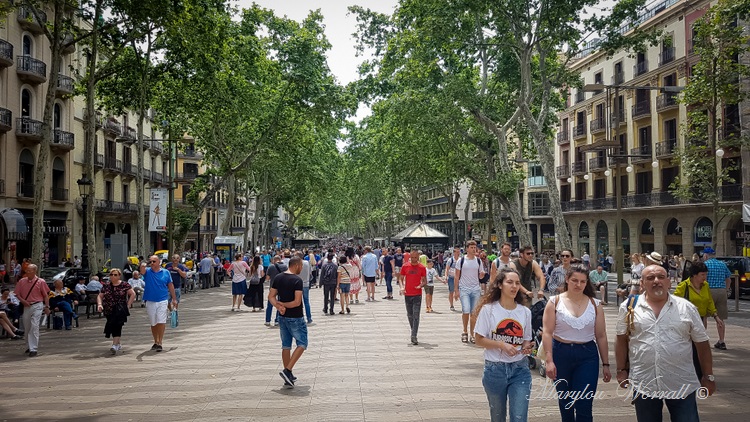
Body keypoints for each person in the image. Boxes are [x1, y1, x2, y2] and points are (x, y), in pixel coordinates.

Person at [615, 264, 716, 422]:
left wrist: (708, 376)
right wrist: (621, 369)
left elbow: (702, 344)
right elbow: (621, 339)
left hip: (681, 383)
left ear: (669, 281)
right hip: (644, 382)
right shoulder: (628, 308)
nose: (656, 281)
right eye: (650, 278)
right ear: (642, 283)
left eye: (661, 277)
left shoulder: (686, 308)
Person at [542, 265, 611, 422]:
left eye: (582, 281)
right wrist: (549, 360)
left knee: (584, 403)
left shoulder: (595, 304)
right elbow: (547, 332)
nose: (578, 285)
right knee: (565, 402)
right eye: (574, 280)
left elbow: (601, 335)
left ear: (587, 283)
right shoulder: (555, 301)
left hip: (587, 355)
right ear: (567, 280)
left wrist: (606, 364)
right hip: (561, 353)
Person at [473, 269, 533, 422]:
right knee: (498, 416)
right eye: (509, 282)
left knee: (519, 417)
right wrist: (501, 345)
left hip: (520, 369)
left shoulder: (525, 312)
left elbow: (526, 339)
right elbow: (479, 339)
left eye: (517, 283)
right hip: (495, 370)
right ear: (500, 285)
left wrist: (527, 346)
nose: (514, 286)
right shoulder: (489, 310)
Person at [674, 261, 725, 379]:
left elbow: (709, 301)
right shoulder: (684, 286)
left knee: (700, 347)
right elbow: (674, 303)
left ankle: (699, 373)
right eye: (702, 275)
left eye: (706, 275)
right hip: (686, 321)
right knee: (690, 347)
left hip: (700, 320)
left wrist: (716, 316)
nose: (705, 277)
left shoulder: (705, 286)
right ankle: (690, 372)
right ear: (694, 275)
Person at [269, 256, 307, 388]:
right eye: (301, 266)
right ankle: (287, 370)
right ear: (296, 265)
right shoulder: (297, 280)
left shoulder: (278, 278)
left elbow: (271, 296)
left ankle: (288, 377)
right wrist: (284, 305)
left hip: (282, 317)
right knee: (302, 343)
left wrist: (279, 306)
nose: (301, 268)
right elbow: (297, 302)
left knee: (286, 345)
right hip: (296, 317)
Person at [143, 255, 178, 352]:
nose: (152, 263)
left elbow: (170, 285)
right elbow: (142, 270)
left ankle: (160, 342)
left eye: (154, 261)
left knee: (161, 321)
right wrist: (144, 264)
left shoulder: (166, 272)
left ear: (159, 262)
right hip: (150, 300)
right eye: (151, 261)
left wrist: (174, 299)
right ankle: (155, 341)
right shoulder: (147, 272)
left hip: (162, 300)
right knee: (153, 323)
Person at [14, 264, 50, 357]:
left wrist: (47, 307)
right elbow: (17, 294)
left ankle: (33, 348)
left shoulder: (41, 281)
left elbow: (45, 295)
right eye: (27, 270)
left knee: (34, 326)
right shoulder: (21, 281)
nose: (27, 272)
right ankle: (28, 346)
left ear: (35, 271)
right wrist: (23, 301)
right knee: (27, 327)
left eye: (30, 270)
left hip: (37, 305)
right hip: (27, 306)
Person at [97, 269, 135, 354]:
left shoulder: (124, 285)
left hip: (120, 309)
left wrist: (128, 305)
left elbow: (132, 294)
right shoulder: (106, 286)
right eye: (111, 275)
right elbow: (100, 296)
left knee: (118, 325)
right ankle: (118, 343)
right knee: (112, 324)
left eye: (115, 275)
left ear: (119, 276)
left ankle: (114, 345)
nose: (113, 276)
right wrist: (99, 304)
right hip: (109, 309)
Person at [455, 240, 486, 344]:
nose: (473, 249)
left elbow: (481, 274)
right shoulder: (461, 260)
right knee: (466, 310)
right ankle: (464, 331)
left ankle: (472, 333)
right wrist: (456, 290)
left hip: (475, 289)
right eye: (471, 247)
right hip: (464, 288)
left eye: (475, 247)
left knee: (474, 313)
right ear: (467, 249)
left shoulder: (478, 261)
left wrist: (482, 275)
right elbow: (456, 275)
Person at [702, 247, 730, 350]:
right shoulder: (723, 264)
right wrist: (725, 290)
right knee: (720, 318)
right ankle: (721, 341)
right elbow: (728, 279)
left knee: (704, 316)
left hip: (709, 291)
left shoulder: (705, 265)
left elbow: (702, 279)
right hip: (721, 291)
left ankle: (703, 340)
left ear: (706, 255)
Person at [398, 250, 427, 345]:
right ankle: (413, 330)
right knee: (409, 314)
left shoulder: (422, 268)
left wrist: (421, 285)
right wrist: (402, 287)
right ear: (410, 256)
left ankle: (414, 335)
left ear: (418, 257)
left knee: (416, 314)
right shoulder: (405, 266)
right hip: (407, 294)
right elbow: (401, 278)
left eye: (416, 257)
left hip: (417, 294)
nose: (414, 259)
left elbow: (424, 281)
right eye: (412, 257)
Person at [265, 256, 287, 326]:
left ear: (274, 260)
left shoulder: (271, 267)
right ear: (280, 260)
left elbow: (267, 278)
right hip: (282, 288)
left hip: (272, 288)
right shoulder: (285, 267)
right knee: (280, 304)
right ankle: (277, 320)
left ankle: (267, 320)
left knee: (270, 305)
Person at [296, 252, 313, 324]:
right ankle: (309, 318)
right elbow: (310, 273)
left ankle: (299, 318)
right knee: (306, 302)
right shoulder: (307, 263)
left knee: (297, 302)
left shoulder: (296, 264)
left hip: (297, 285)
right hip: (306, 284)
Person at [445, 246, 462, 311]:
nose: (458, 253)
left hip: (459, 278)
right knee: (451, 291)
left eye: (459, 252)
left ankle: (463, 305)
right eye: (456, 252)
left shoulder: (461, 260)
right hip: (451, 278)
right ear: (454, 252)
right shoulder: (450, 260)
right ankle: (451, 305)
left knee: (461, 291)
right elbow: (447, 269)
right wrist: (446, 276)